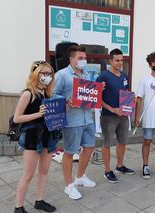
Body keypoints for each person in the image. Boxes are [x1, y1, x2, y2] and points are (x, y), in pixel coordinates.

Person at [54, 45, 97, 200]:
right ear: (71, 59)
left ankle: (80, 177)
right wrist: (65, 100)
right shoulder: (62, 75)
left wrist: (98, 90)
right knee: (70, 152)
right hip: (72, 121)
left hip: (88, 119)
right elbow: (52, 94)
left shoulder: (86, 74)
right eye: (80, 58)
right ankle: (68, 186)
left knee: (89, 148)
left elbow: (90, 94)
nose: (83, 60)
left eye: (85, 58)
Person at [14, 61, 57, 213]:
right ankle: (18, 207)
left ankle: (39, 201)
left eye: (50, 74)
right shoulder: (28, 93)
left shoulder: (48, 93)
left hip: (47, 135)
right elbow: (16, 118)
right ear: (35, 74)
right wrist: (38, 114)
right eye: (44, 73)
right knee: (28, 175)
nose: (47, 76)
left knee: (44, 171)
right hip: (32, 136)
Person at [96, 48, 134, 183]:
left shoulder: (124, 76)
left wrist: (130, 102)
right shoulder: (103, 77)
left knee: (122, 142)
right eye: (117, 60)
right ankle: (107, 170)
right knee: (107, 143)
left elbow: (127, 92)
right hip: (108, 116)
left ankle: (120, 165)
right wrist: (112, 109)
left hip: (123, 116)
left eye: (121, 60)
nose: (120, 63)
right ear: (110, 61)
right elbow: (96, 98)